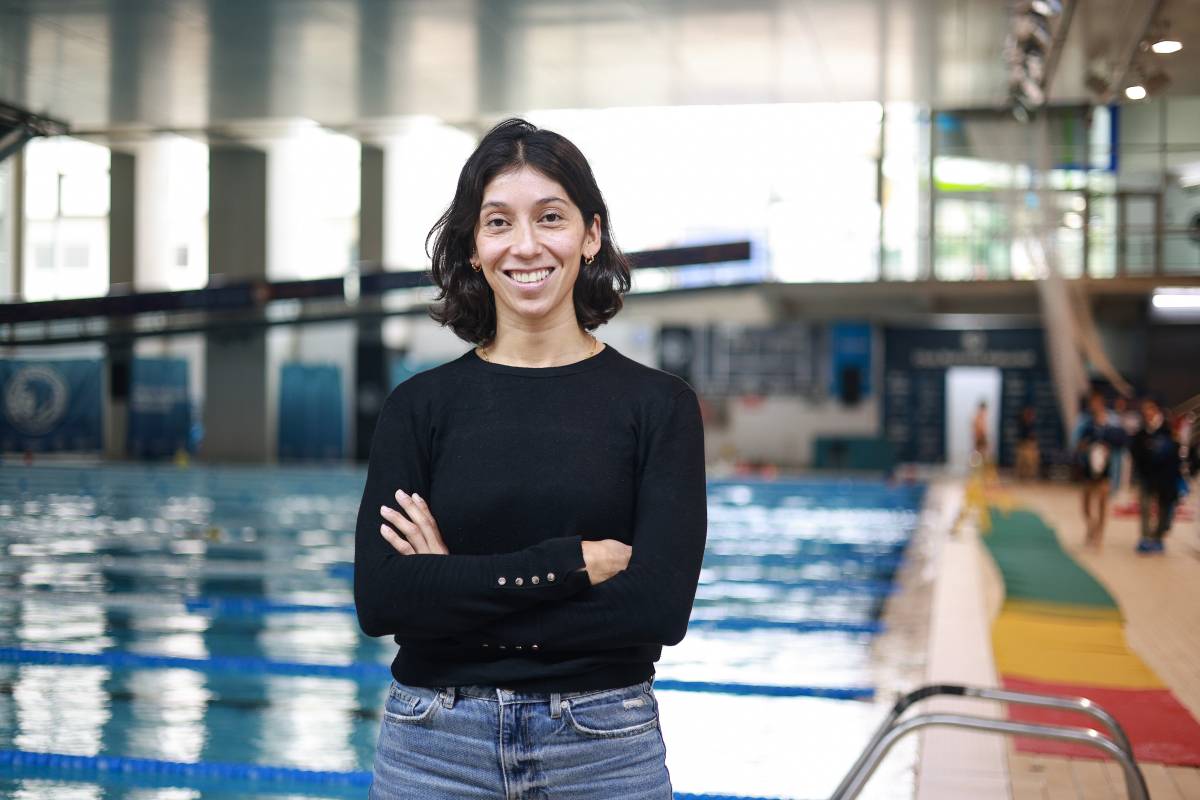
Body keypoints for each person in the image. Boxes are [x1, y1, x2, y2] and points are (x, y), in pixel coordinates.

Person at [353, 118, 707, 799]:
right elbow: (383, 598)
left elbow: (658, 610)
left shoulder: (658, 407)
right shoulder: (419, 408)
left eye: (551, 217)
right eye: (497, 223)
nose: (526, 246)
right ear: (474, 246)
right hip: (435, 747)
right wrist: (565, 565)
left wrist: (450, 584)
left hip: (602, 749)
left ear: (591, 234)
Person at [1129, 396, 1183, 554]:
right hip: (1147, 476)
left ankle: (1158, 538)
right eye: (1145, 409)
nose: (1147, 412)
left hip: (1165, 478)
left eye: (1150, 408)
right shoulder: (1141, 433)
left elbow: (1175, 456)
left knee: (1163, 509)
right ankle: (1145, 537)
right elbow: (1136, 454)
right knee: (1145, 506)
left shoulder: (1168, 430)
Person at [1071, 392, 1124, 548]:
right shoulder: (1085, 423)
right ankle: (1091, 525)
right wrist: (1086, 447)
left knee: (1102, 501)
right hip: (1089, 468)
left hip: (1106, 469)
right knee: (1086, 503)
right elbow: (1077, 443)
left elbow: (1120, 443)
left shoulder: (1112, 422)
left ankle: (1100, 532)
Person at [1015, 404, 1039, 481]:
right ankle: (1022, 475)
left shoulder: (1032, 424)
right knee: (1022, 461)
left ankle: (1030, 476)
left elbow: (1033, 436)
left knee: (1031, 461)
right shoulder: (1022, 424)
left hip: (1030, 444)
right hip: (1024, 443)